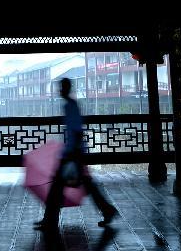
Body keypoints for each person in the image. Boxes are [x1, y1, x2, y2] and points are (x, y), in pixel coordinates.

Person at [34, 78, 118, 233]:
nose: (60, 90)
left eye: (62, 88)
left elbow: (77, 131)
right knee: (86, 185)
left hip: (72, 153)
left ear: (65, 89)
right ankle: (107, 210)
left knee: (58, 187)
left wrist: (72, 154)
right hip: (74, 152)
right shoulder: (71, 105)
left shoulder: (70, 106)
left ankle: (50, 220)